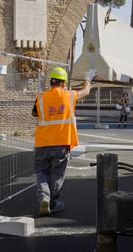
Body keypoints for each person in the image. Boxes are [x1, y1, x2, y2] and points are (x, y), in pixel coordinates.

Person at [32, 67, 98, 216]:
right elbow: (86, 91)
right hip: (61, 143)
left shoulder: (41, 97)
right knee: (57, 173)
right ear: (63, 83)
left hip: (42, 143)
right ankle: (53, 202)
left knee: (42, 172)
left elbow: (35, 113)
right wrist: (87, 79)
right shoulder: (69, 95)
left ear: (51, 83)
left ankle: (44, 197)